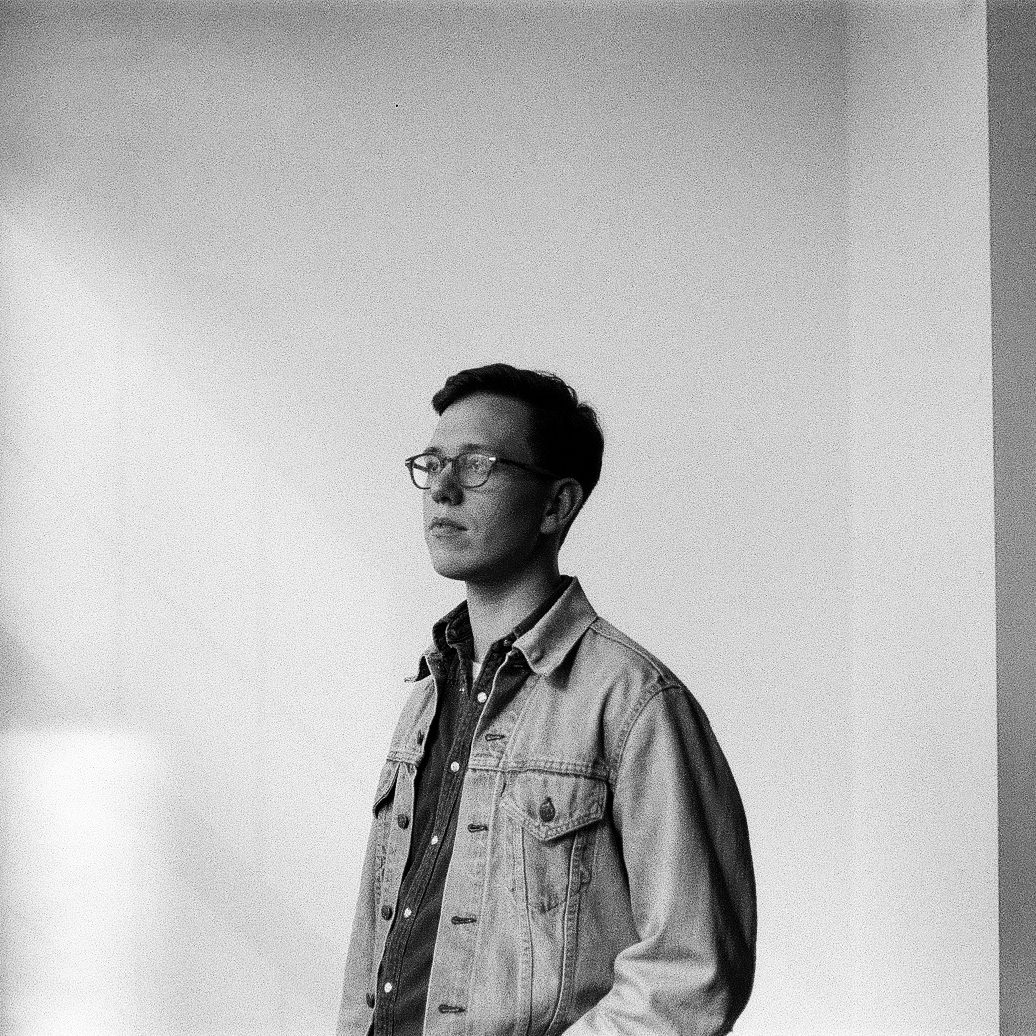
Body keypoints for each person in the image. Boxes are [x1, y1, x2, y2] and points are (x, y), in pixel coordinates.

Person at [338, 363, 756, 1036]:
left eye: (477, 465)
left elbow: (690, 972)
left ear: (556, 505)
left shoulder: (634, 701)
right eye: (433, 463)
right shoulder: (429, 692)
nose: (442, 488)